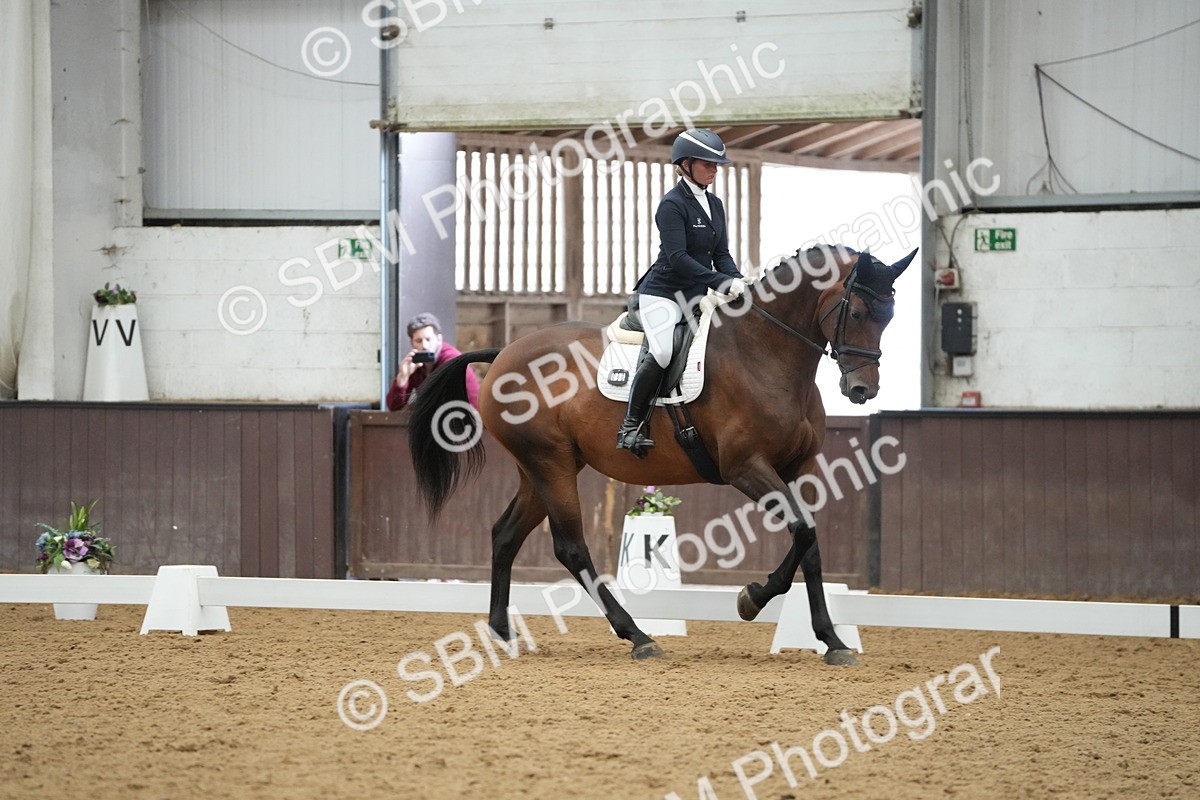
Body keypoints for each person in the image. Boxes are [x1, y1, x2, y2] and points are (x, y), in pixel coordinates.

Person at [617, 128, 748, 458]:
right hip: (662, 295)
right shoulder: (672, 205)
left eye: (717, 165)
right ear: (686, 164)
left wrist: (738, 280)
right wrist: (720, 282)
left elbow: (721, 254)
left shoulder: (714, 203)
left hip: (696, 296)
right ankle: (630, 427)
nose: (715, 170)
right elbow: (678, 258)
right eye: (708, 164)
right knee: (661, 352)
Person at [386, 312, 480, 411]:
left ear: (439, 339)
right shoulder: (415, 364)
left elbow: (442, 399)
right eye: (418, 341)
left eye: (428, 339)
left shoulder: (451, 359)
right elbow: (393, 407)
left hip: (466, 418)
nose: (424, 345)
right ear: (411, 343)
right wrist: (403, 377)